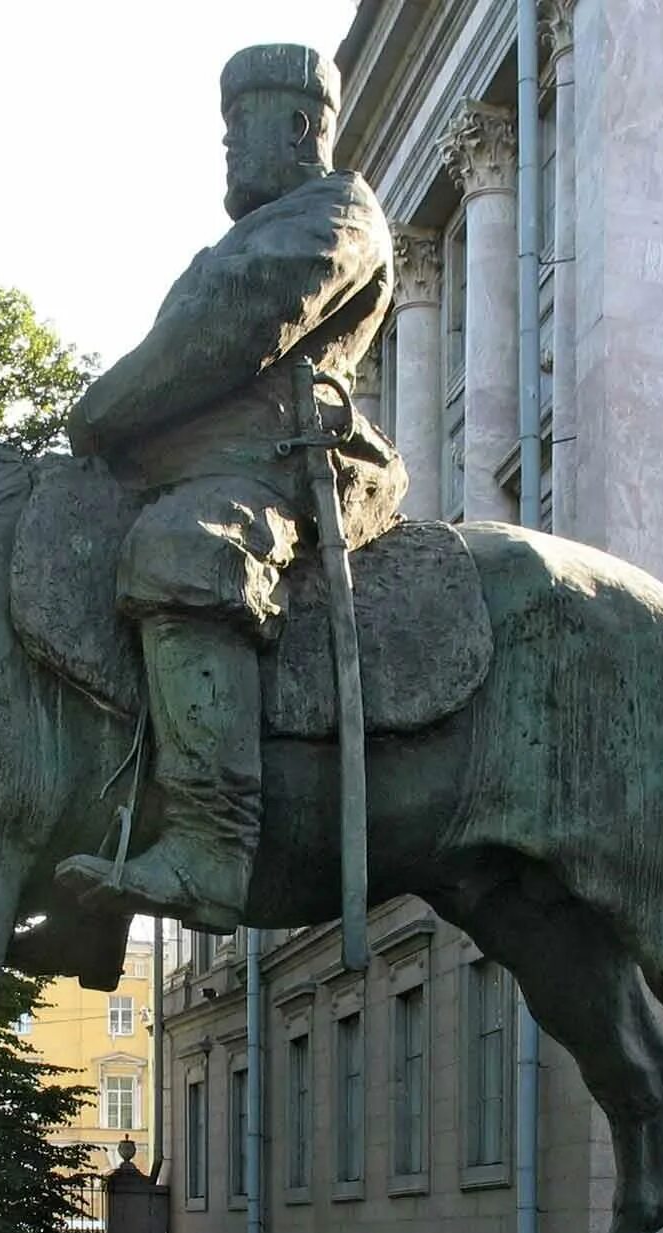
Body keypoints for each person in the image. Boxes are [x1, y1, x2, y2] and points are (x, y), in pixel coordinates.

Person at [56, 42, 405, 933]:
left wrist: (105, 408)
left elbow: (237, 321)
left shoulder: (337, 214)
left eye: (236, 130)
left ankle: (212, 847)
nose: (227, 152)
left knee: (186, 550)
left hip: (277, 466)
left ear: (298, 124)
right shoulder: (241, 234)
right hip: (189, 464)